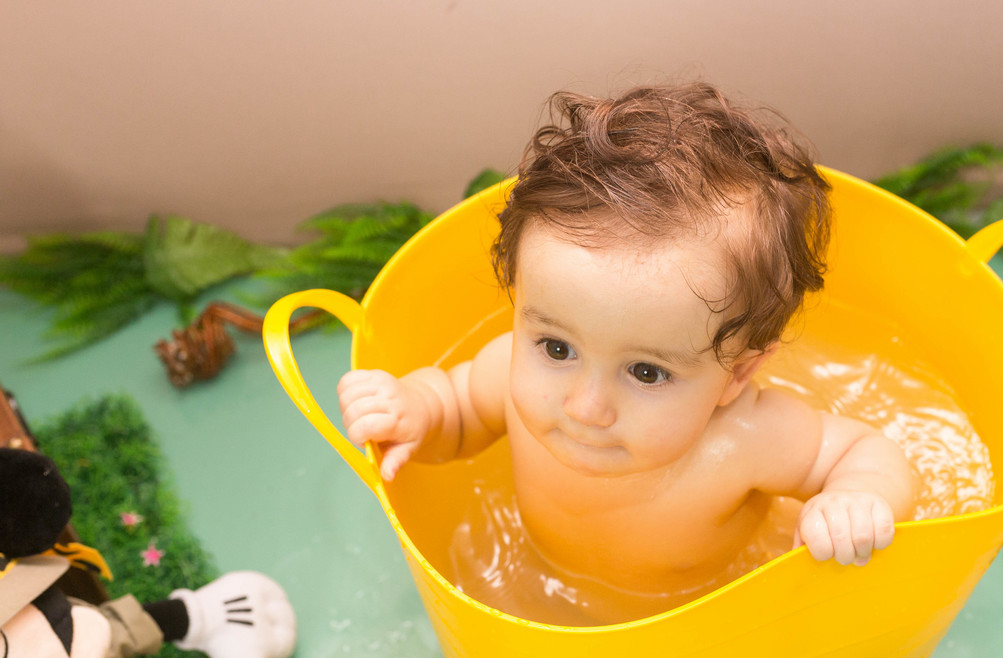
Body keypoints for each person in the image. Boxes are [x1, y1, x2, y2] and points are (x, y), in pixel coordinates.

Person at [337, 83, 917, 622]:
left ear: (736, 376)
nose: (586, 406)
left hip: (706, 618)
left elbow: (867, 452)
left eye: (646, 371)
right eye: (557, 346)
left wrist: (855, 500)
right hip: (547, 593)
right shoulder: (505, 374)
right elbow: (456, 411)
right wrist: (412, 409)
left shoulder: (747, 439)